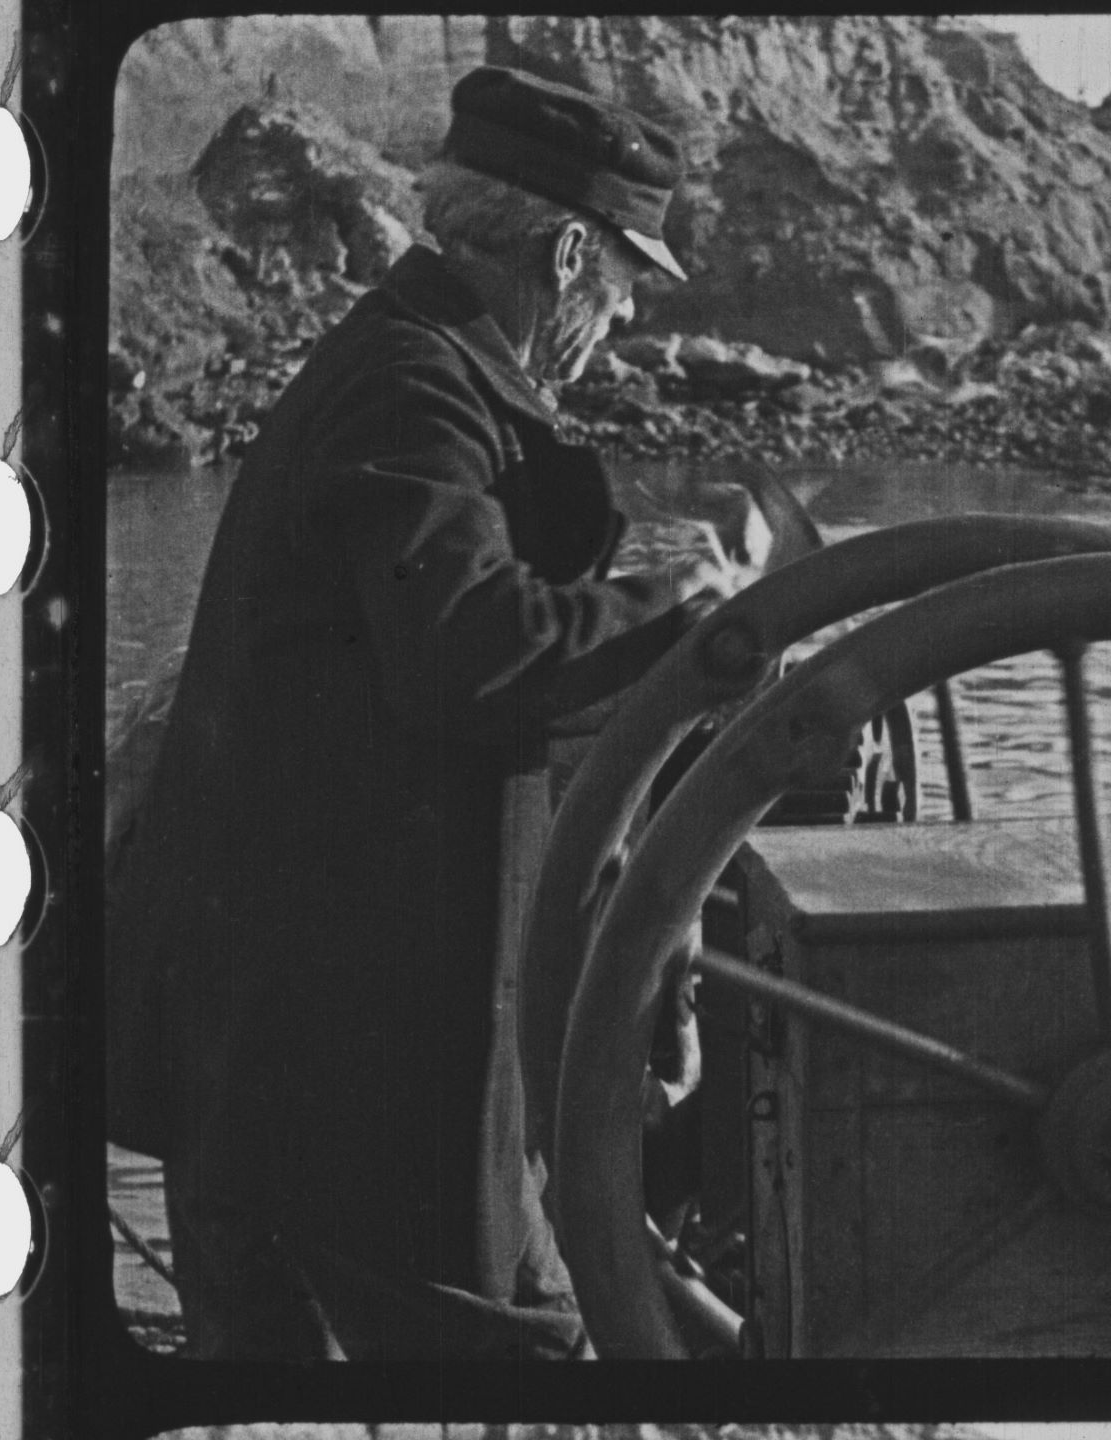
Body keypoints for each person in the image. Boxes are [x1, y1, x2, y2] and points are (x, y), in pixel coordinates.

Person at [107, 65, 754, 1360]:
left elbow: (453, 570)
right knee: (536, 1352)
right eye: (623, 283)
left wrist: (627, 558)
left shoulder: (410, 366)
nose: (618, 322)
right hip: (350, 1072)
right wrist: (686, 616)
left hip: (255, 1051)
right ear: (569, 252)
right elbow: (468, 653)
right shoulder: (415, 386)